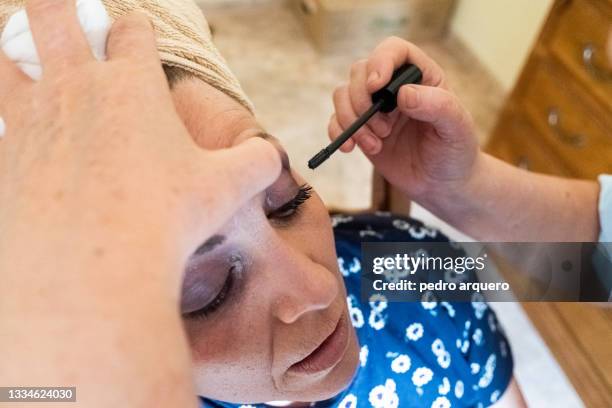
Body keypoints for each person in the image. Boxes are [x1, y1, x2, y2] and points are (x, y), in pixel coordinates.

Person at [0, 1, 527, 407]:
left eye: (285, 200)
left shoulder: (413, 274)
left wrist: (470, 191)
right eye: (207, 290)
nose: (320, 289)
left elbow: (596, 268)